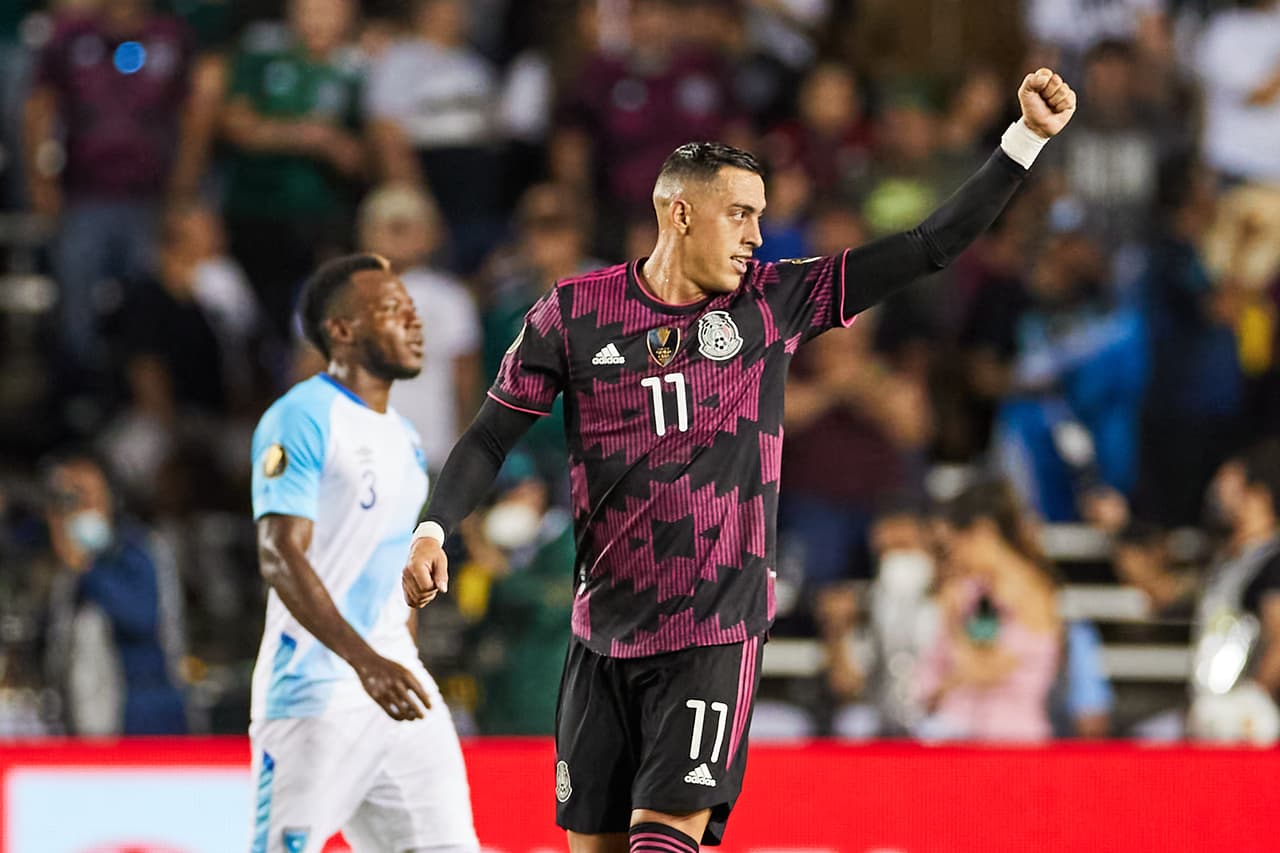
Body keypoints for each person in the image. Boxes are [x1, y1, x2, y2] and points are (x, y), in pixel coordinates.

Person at [405, 70, 1077, 850]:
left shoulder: (772, 301)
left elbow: (928, 247)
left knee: (665, 839)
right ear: (679, 212)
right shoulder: (574, 314)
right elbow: (492, 433)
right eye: (740, 214)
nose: (758, 234)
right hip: (600, 634)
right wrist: (433, 530)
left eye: (760, 214)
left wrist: (1022, 139)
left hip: (713, 629)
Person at [248, 254, 478, 852]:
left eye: (411, 308)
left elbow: (391, 573)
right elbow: (279, 556)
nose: (414, 321)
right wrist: (364, 661)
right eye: (391, 310)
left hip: (399, 684)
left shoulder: (402, 437)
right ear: (342, 331)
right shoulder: (301, 417)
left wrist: (396, 656)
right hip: (316, 692)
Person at [40, 450, 187, 736]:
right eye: (66, 498)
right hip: (84, 719)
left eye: (84, 495)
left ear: (110, 497)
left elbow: (142, 619)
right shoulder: (70, 558)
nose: (76, 507)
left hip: (144, 718)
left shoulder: (138, 549)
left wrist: (87, 569)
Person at [913, 480, 1063, 742]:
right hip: (971, 734)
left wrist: (953, 622)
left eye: (956, 545)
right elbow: (974, 655)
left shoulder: (1030, 592)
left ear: (983, 532)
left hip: (1013, 740)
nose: (956, 557)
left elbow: (982, 668)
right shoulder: (980, 592)